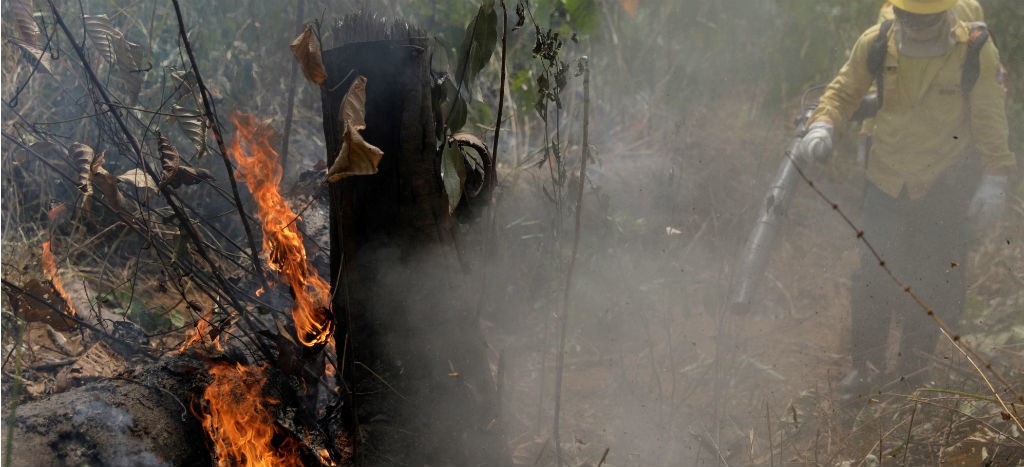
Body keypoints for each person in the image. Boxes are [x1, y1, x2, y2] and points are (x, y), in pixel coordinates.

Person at [795, 0, 1017, 394]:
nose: (914, 25)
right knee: (873, 274)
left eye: (923, 19)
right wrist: (824, 125)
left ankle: (913, 376)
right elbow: (844, 91)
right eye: (907, 17)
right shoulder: (877, 42)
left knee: (933, 280)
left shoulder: (974, 49)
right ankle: (864, 369)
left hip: (944, 182)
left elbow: (988, 116)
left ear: (944, 14)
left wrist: (994, 178)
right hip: (887, 179)